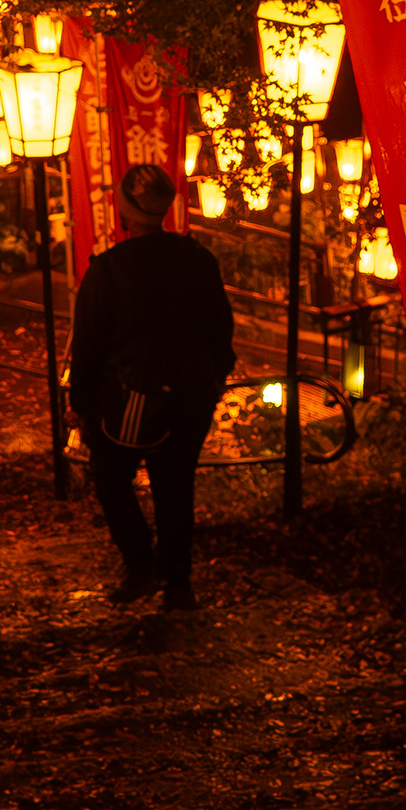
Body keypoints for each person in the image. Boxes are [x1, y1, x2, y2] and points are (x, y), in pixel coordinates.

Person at [66, 160, 233, 608]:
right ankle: (178, 584)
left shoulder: (110, 270)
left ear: (123, 211)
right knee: (176, 484)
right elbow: (222, 329)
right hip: (191, 395)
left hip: (131, 397)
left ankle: (142, 565)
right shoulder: (199, 260)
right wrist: (213, 380)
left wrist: (81, 401)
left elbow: (88, 343)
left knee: (112, 478)